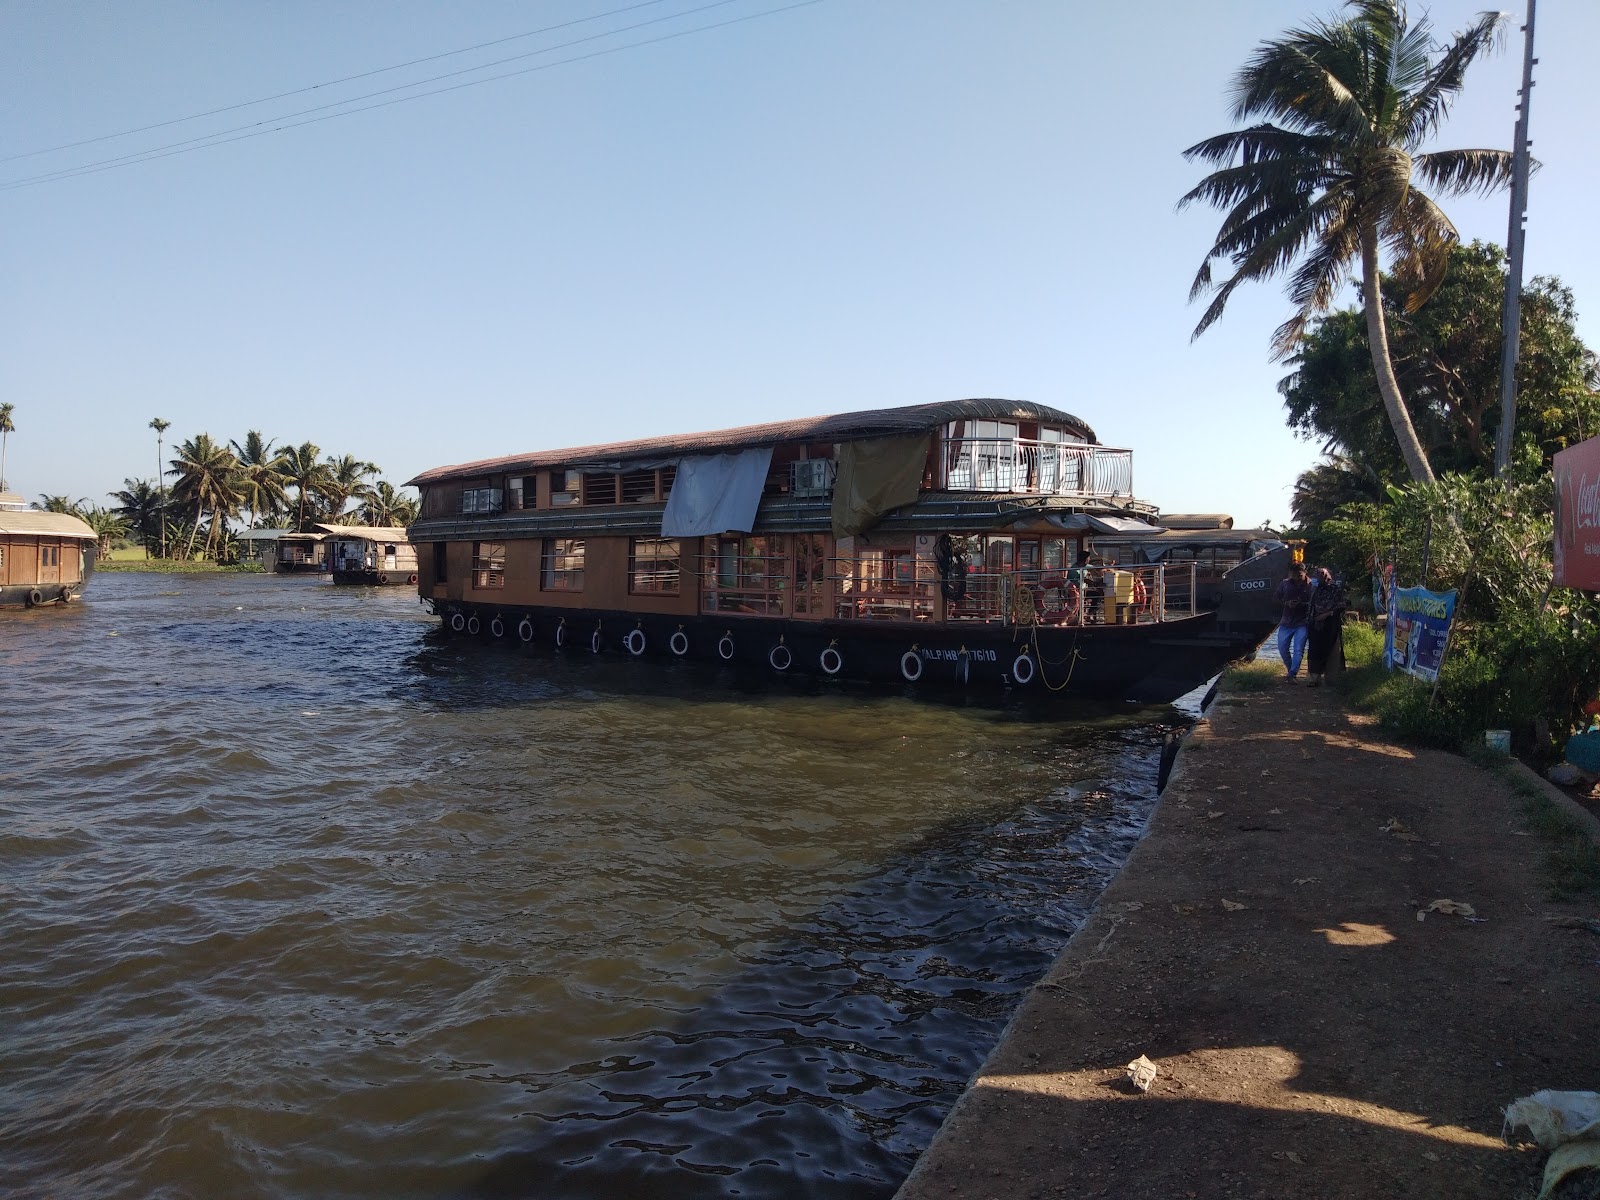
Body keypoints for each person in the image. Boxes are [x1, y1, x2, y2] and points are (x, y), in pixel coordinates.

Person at [1305, 566, 1346, 686]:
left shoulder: (1334, 589)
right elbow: (1311, 606)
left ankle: (1332, 679)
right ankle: (1313, 678)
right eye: (1317, 574)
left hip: (1330, 626)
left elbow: (1340, 606)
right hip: (1315, 626)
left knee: (1332, 651)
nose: (1319, 577)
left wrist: (1327, 614)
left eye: (1322, 574)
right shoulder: (1314, 589)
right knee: (1314, 652)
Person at [1274, 561, 1313, 681]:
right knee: (1282, 648)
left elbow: (1314, 603)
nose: (1297, 578)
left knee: (1298, 649)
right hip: (1286, 621)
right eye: (1294, 575)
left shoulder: (1311, 585)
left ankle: (1292, 674)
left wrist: (1302, 604)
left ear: (1305, 573)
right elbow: (1276, 598)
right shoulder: (1285, 584)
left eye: (1299, 575)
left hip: (1302, 622)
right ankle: (1291, 669)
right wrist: (1286, 603)